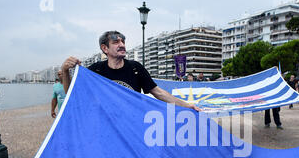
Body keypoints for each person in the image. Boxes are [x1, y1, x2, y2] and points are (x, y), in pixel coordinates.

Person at [61, 31, 200, 111]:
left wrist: (188, 106)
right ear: (105, 49)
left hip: (131, 126)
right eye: (116, 42)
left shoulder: (135, 68)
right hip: (105, 128)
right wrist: (65, 71)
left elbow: (159, 93)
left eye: (123, 42)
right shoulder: (96, 70)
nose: (122, 45)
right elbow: (71, 94)